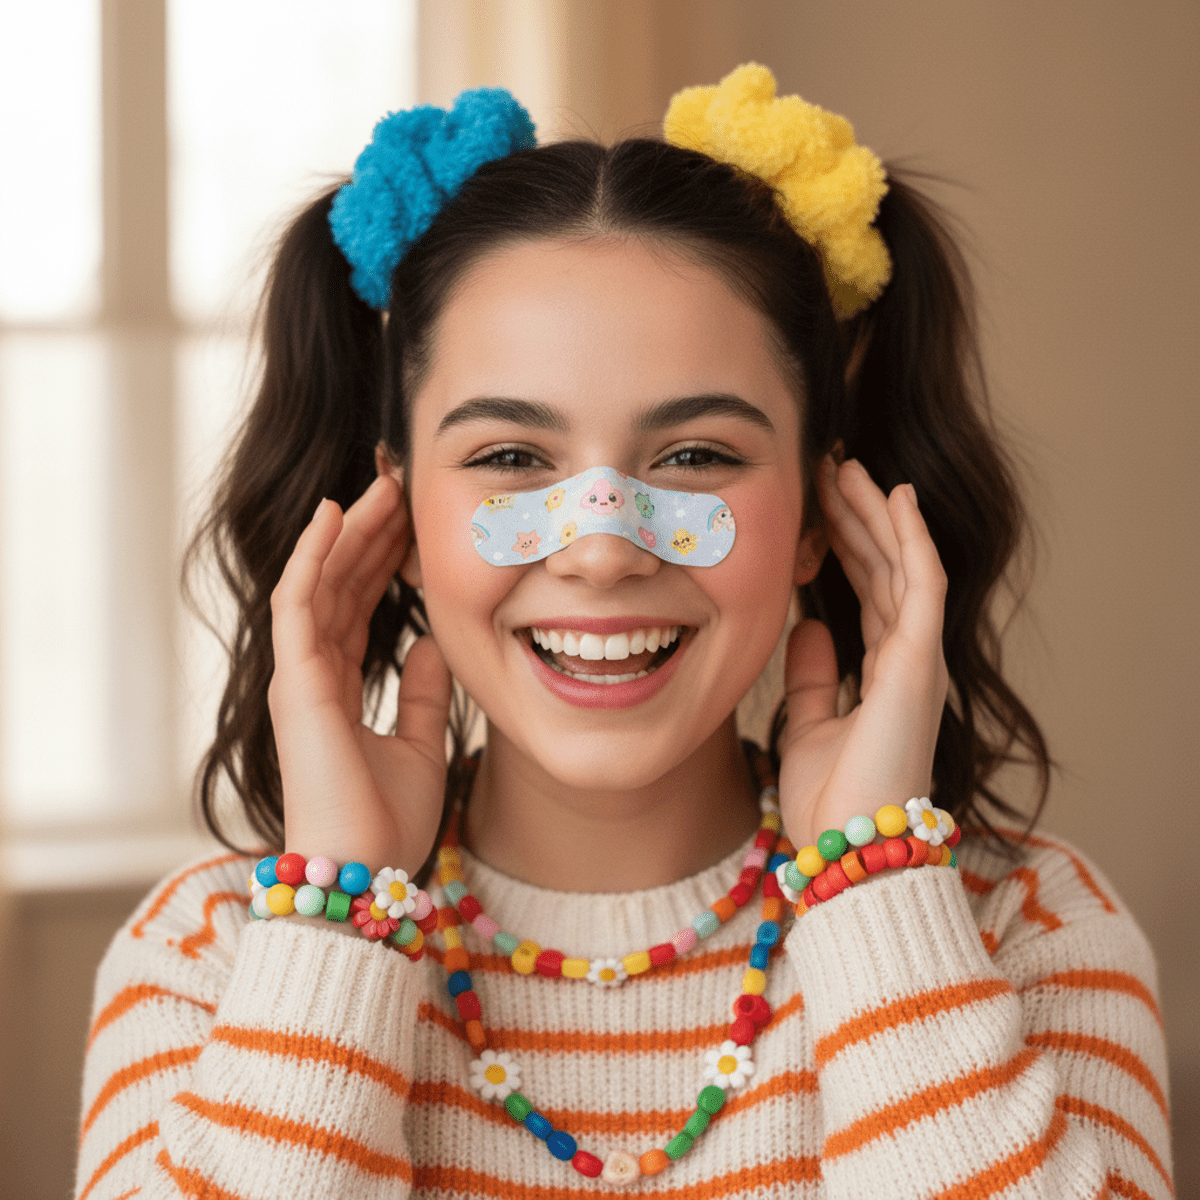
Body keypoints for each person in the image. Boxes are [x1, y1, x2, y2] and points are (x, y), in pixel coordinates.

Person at [76, 65, 1172, 1198]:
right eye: (510, 458)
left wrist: (876, 885)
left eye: (695, 457)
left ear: (812, 512)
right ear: (398, 514)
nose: (601, 549)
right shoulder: (211, 957)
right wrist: (341, 910)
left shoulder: (1030, 935)